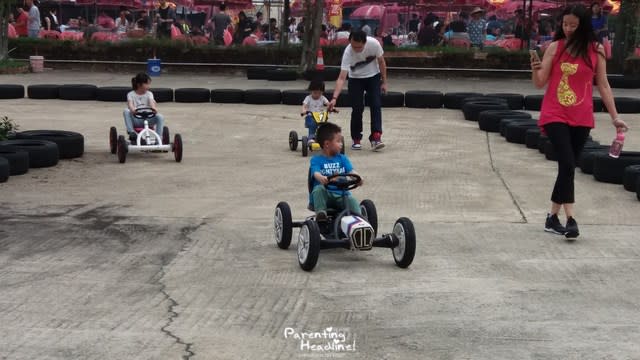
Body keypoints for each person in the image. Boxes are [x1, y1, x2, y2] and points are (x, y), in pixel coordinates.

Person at [530, 4, 629, 239]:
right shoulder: (555, 47)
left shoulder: (596, 50)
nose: (568, 29)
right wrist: (535, 69)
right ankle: (571, 219)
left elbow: (603, 84)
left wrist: (615, 117)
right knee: (566, 164)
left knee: (568, 167)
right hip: (555, 112)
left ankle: (552, 218)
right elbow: (539, 82)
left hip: (582, 115)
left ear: (583, 25)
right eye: (565, 25)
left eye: (573, 25)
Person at [329, 30, 387, 151]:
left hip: (373, 77)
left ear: (365, 42)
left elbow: (381, 62)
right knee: (357, 108)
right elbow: (341, 77)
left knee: (375, 105)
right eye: (353, 46)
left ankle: (376, 137)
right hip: (355, 79)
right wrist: (334, 98)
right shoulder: (348, 52)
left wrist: (384, 82)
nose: (355, 49)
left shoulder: (374, 44)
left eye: (359, 47)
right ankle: (356, 138)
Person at [310, 122, 363, 221]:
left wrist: (358, 178)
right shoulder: (316, 160)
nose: (341, 144)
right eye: (338, 141)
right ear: (327, 144)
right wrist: (322, 178)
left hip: (342, 194)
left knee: (352, 201)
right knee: (318, 189)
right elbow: (315, 173)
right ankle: (321, 213)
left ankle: (359, 221)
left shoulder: (342, 159)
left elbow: (351, 171)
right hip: (325, 195)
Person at [123, 73, 165, 140]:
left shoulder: (149, 94)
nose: (149, 86)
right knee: (126, 111)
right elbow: (130, 104)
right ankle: (131, 132)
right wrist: (133, 109)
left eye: (149, 84)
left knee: (160, 116)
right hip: (136, 119)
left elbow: (151, 103)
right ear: (139, 84)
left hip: (148, 118)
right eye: (147, 84)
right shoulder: (131, 94)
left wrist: (154, 108)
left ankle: (158, 138)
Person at [301, 80, 331, 144]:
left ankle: (324, 137)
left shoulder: (323, 98)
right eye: (315, 93)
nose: (317, 95)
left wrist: (332, 108)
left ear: (322, 92)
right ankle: (311, 137)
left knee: (325, 125)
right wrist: (304, 110)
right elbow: (304, 105)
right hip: (310, 116)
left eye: (319, 93)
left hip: (320, 116)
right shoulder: (308, 98)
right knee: (313, 124)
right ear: (311, 91)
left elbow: (328, 104)